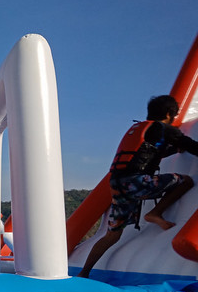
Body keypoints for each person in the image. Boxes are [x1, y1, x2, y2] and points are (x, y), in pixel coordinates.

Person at [78, 95, 198, 278]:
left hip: (117, 184)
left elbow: (150, 153)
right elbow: (192, 146)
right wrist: (181, 144)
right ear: (169, 114)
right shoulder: (164, 129)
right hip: (136, 182)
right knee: (186, 181)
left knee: (112, 235)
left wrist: (175, 149)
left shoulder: (140, 128)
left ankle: (84, 272)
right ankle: (155, 213)